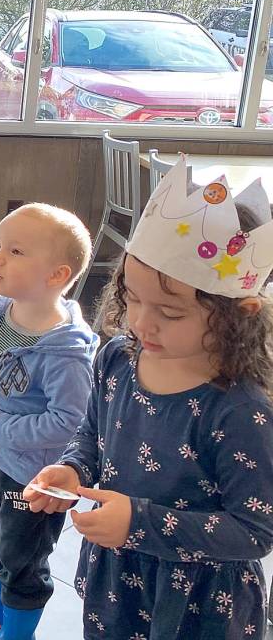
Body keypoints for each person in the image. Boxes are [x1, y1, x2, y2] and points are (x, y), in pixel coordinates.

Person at [25, 157, 273, 639]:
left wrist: (138, 523)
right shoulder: (118, 358)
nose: (140, 322)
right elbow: (93, 433)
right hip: (118, 580)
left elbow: (255, 531)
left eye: (170, 312)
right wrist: (74, 469)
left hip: (200, 600)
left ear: (239, 314)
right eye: (133, 298)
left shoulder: (241, 411)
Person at [0, 203, 98, 640]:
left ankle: (17, 634)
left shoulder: (67, 354)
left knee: (24, 560)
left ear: (57, 275)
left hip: (37, 481)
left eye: (16, 251)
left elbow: (70, 423)